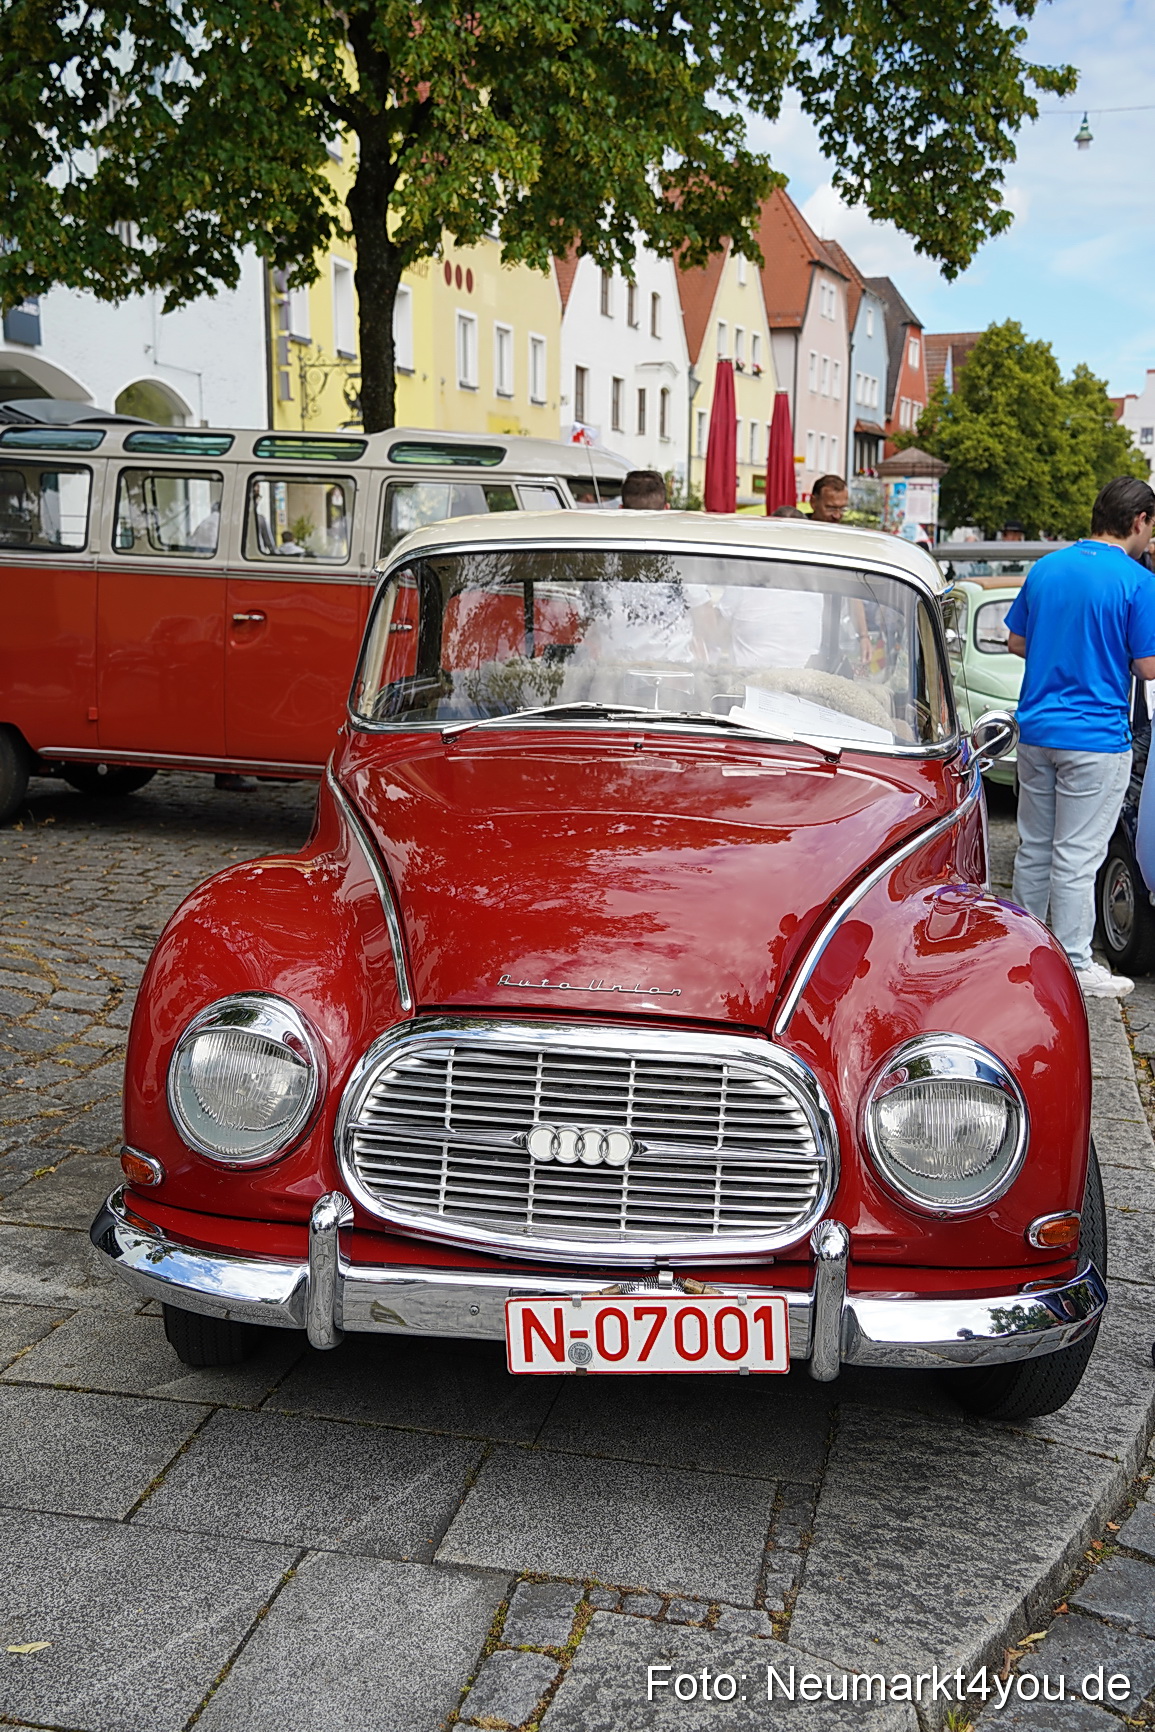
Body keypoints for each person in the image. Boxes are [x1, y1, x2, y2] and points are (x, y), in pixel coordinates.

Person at [1006, 476, 1155, 998]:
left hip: (1037, 730)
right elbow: (1148, 666)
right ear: (1140, 522)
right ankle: (1071, 962)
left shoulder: (1046, 567)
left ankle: (1018, 951)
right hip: (1095, 738)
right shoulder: (1137, 581)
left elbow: (1016, 641)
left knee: (1035, 849)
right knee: (1077, 856)